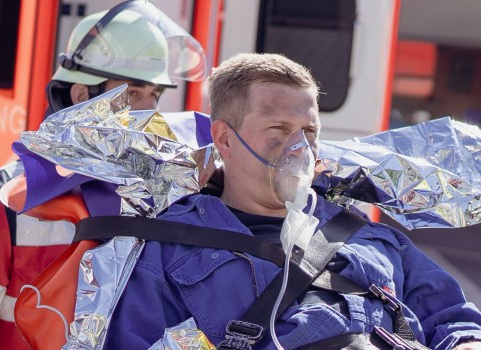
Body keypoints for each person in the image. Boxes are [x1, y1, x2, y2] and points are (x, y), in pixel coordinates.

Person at [104, 53, 481, 349]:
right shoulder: (169, 249)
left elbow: (454, 319)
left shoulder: (370, 237)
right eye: (279, 129)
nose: (299, 147)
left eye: (309, 131)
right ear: (225, 139)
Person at [0, 1, 209, 349]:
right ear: (82, 94)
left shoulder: (164, 199)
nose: (149, 112)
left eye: (155, 95)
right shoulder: (3, 197)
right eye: (133, 93)